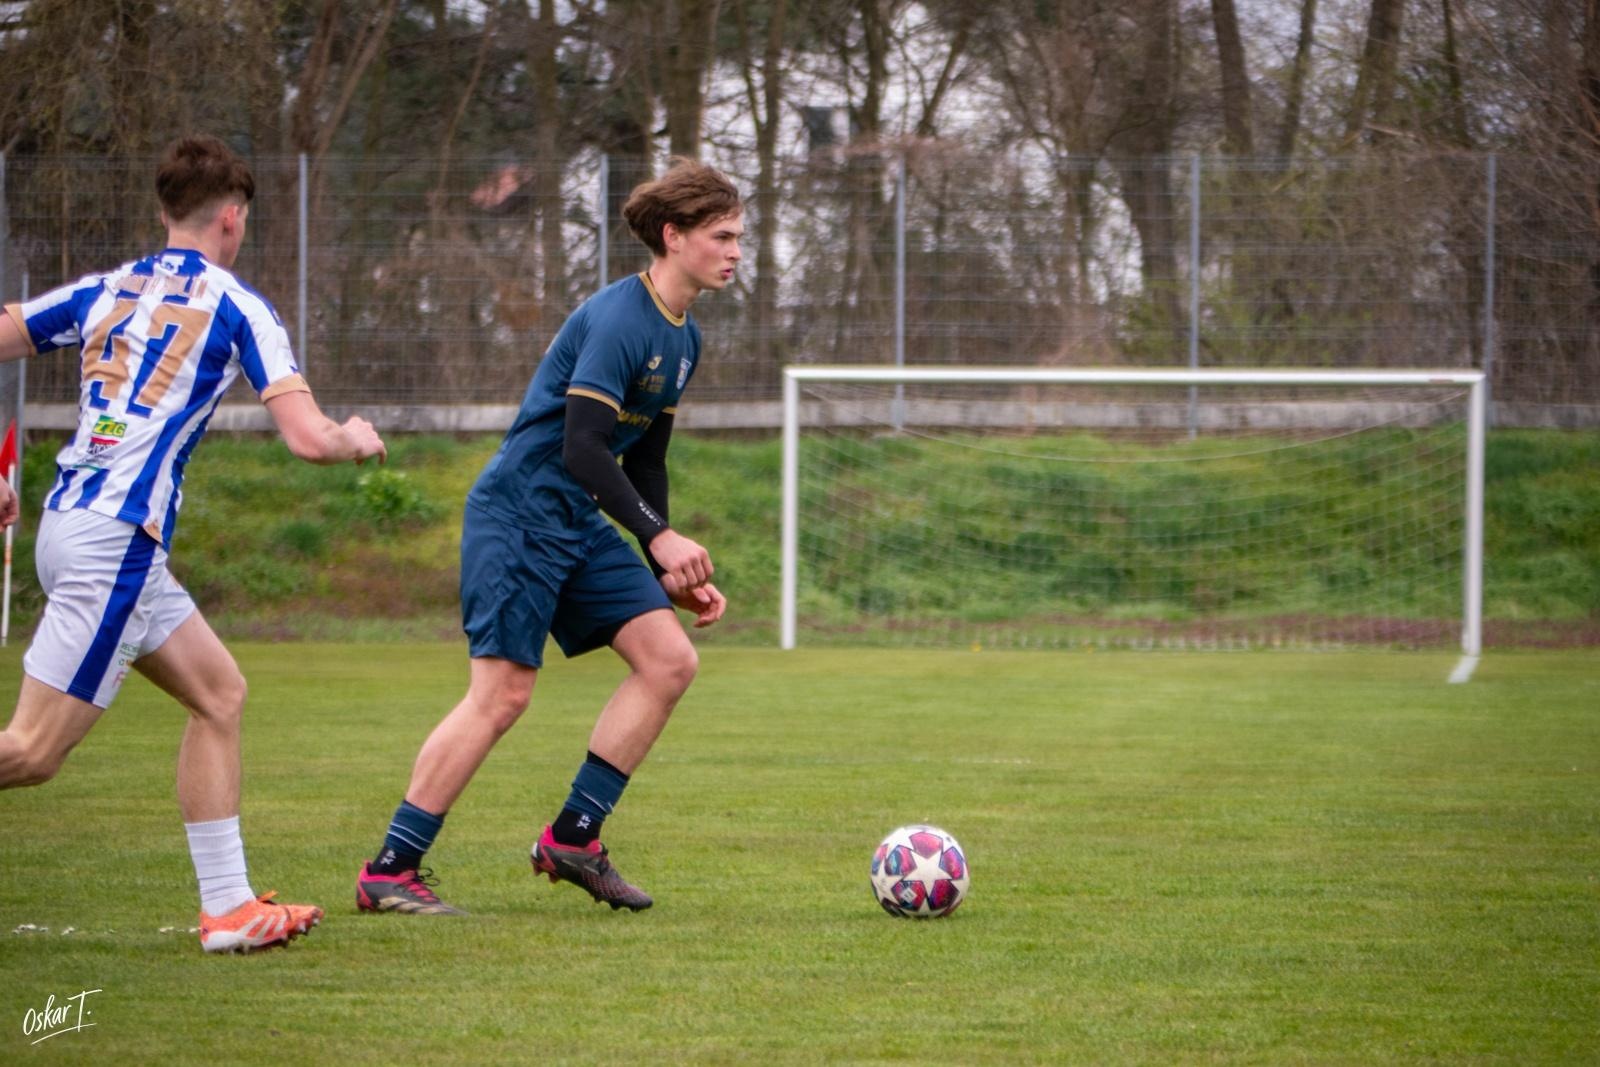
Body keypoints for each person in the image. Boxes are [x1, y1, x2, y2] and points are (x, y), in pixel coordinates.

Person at [0, 135, 387, 953]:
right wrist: (354, 435)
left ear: (164, 211)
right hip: (115, 544)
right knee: (31, 753)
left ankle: (229, 908)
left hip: (79, 528)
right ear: (233, 219)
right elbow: (309, 439)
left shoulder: (107, 288)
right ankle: (229, 907)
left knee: (219, 694)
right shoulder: (238, 303)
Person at [355, 159, 740, 916]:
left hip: (577, 520)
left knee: (668, 660)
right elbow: (584, 447)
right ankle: (391, 868)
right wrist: (659, 541)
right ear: (674, 236)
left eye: (739, 237)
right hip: (521, 514)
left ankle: (574, 837)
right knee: (502, 695)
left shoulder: (685, 337)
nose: (735, 251)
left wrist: (665, 561)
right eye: (722, 236)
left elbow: (646, 460)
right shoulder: (621, 319)